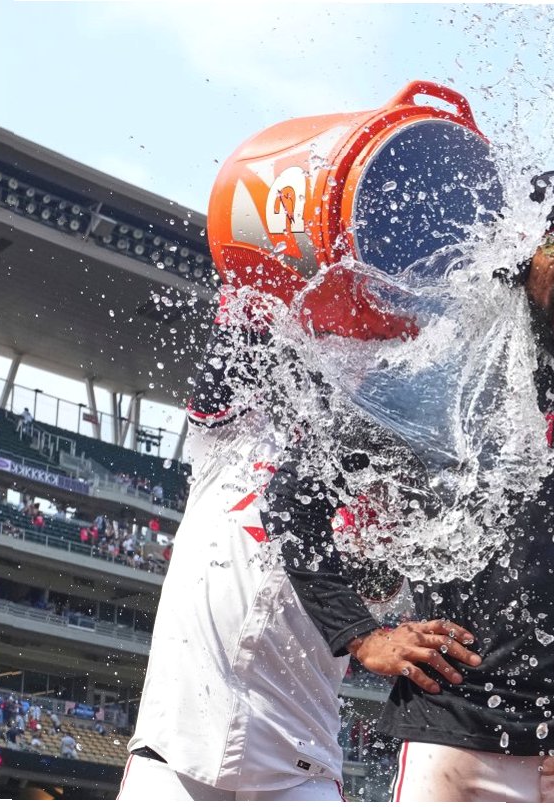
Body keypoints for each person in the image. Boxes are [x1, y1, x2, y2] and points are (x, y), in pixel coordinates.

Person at [274, 170, 554, 802]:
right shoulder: (439, 377)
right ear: (519, 259)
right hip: (459, 737)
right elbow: (294, 501)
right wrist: (361, 636)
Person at [118, 276, 402, 802]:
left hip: (299, 767)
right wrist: (286, 267)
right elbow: (241, 318)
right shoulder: (229, 437)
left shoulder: (373, 476)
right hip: (173, 756)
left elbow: (382, 588)